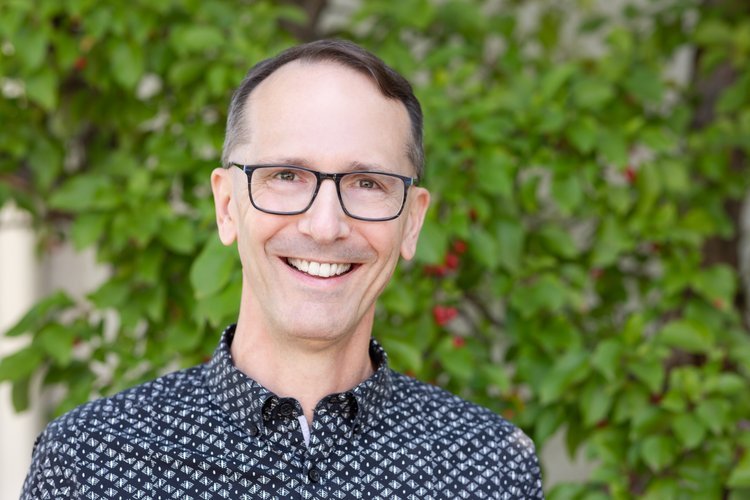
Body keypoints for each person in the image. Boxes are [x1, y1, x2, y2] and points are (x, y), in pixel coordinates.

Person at [21, 39, 544, 499]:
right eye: (287, 175)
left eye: (368, 183)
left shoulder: (490, 467)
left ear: (411, 222)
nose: (325, 226)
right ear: (227, 205)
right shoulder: (91, 463)